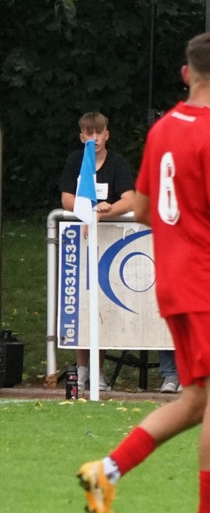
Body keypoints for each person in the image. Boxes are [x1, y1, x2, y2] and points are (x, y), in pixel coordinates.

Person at [76, 32, 210, 513]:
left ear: (186, 74)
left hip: (171, 283)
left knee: (196, 400)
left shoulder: (163, 129)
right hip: (208, 283)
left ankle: (105, 471)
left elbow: (143, 210)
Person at [59, 111, 135, 393]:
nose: (94, 138)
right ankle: (80, 371)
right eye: (89, 134)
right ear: (82, 137)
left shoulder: (117, 164)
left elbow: (130, 198)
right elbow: (67, 198)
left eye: (98, 133)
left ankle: (97, 371)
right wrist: (89, 211)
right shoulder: (75, 162)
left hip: (109, 244)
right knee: (80, 306)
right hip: (80, 244)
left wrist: (105, 212)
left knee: (103, 306)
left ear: (107, 135)